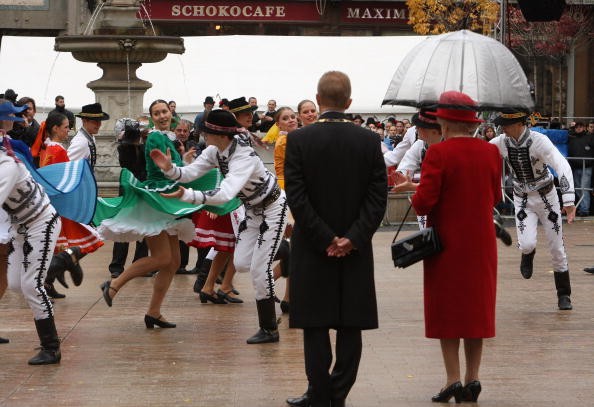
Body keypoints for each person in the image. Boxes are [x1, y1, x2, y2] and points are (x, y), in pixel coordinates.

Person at [284, 71, 387, 407]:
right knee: (349, 322)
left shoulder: (298, 141)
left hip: (312, 247)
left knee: (314, 323)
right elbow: (377, 198)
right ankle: (337, 392)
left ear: (317, 99)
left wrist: (326, 237)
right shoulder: (369, 141)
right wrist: (351, 238)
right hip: (354, 249)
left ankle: (319, 394)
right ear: (350, 102)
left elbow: (297, 198)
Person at [95, 100, 237, 328]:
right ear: (151, 117)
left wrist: (185, 161)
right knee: (162, 258)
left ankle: (153, 312)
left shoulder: (169, 137)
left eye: (164, 111)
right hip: (156, 200)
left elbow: (179, 170)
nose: (162, 115)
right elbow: (164, 168)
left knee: (173, 262)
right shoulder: (155, 137)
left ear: (170, 113)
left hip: (168, 200)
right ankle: (113, 284)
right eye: (157, 113)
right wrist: (178, 165)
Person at [150, 109, 288, 344]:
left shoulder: (242, 156)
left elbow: (225, 194)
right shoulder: (216, 150)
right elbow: (190, 172)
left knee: (259, 270)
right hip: (254, 211)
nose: (201, 134)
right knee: (242, 263)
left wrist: (189, 196)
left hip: (273, 209)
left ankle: (269, 328)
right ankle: (287, 251)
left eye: (205, 130)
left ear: (218, 134)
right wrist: (170, 169)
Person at [404, 91, 502, 403]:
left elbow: (424, 203)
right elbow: (496, 197)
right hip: (482, 242)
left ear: (445, 122)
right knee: (476, 311)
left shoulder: (439, 154)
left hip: (447, 244)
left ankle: (452, 379)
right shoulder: (490, 153)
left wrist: (414, 195)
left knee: (448, 311)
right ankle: (474, 378)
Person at [490, 109, 576, 310]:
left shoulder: (539, 140)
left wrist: (569, 200)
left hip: (547, 198)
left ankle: (564, 294)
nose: (503, 128)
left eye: (506, 124)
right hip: (522, 199)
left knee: (557, 247)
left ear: (519, 124)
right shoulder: (500, 142)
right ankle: (528, 253)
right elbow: (479, 154)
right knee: (527, 243)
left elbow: (561, 164)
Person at [0, 101, 62, 364]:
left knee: (31, 285)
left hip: (41, 222)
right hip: (21, 227)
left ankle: (51, 347)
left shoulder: (7, 164)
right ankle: (63, 260)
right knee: (15, 284)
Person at [34, 112, 104, 296]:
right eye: (65, 127)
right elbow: (67, 179)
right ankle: (55, 273)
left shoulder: (47, 148)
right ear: (55, 128)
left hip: (54, 205)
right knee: (92, 238)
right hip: (62, 205)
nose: (68, 131)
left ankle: (49, 281)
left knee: (57, 247)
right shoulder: (58, 150)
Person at [108, 118, 149, 278]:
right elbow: (126, 161)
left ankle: (140, 264)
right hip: (128, 190)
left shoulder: (145, 146)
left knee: (144, 229)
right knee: (123, 228)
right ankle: (116, 266)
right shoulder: (124, 148)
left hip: (142, 189)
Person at [68, 103, 110, 170]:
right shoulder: (81, 142)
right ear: (84, 121)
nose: (99, 124)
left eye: (100, 121)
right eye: (95, 121)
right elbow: (68, 166)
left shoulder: (89, 137)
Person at [567, 121, 593, 216]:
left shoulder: (590, 137)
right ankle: (583, 208)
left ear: (584, 128)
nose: (578, 128)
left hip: (587, 167)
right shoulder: (571, 137)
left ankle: (585, 210)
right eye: (577, 127)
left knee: (584, 188)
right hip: (575, 167)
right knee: (578, 189)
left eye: (580, 126)